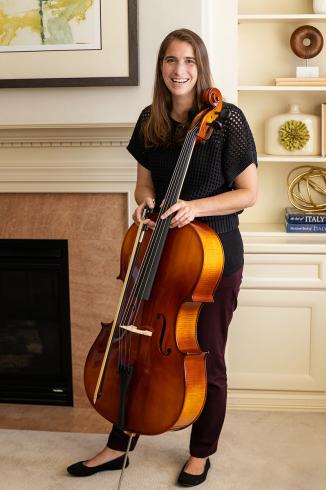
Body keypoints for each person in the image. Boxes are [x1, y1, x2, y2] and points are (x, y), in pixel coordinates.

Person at [67, 28, 257, 487]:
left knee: (206, 359)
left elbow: (248, 194)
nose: (180, 70)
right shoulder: (150, 120)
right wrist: (145, 203)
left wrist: (195, 207)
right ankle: (118, 445)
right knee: (136, 347)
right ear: (161, 68)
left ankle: (200, 453)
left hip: (210, 261)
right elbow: (145, 183)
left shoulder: (227, 120)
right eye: (171, 61)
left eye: (189, 61)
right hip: (159, 253)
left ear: (201, 66)